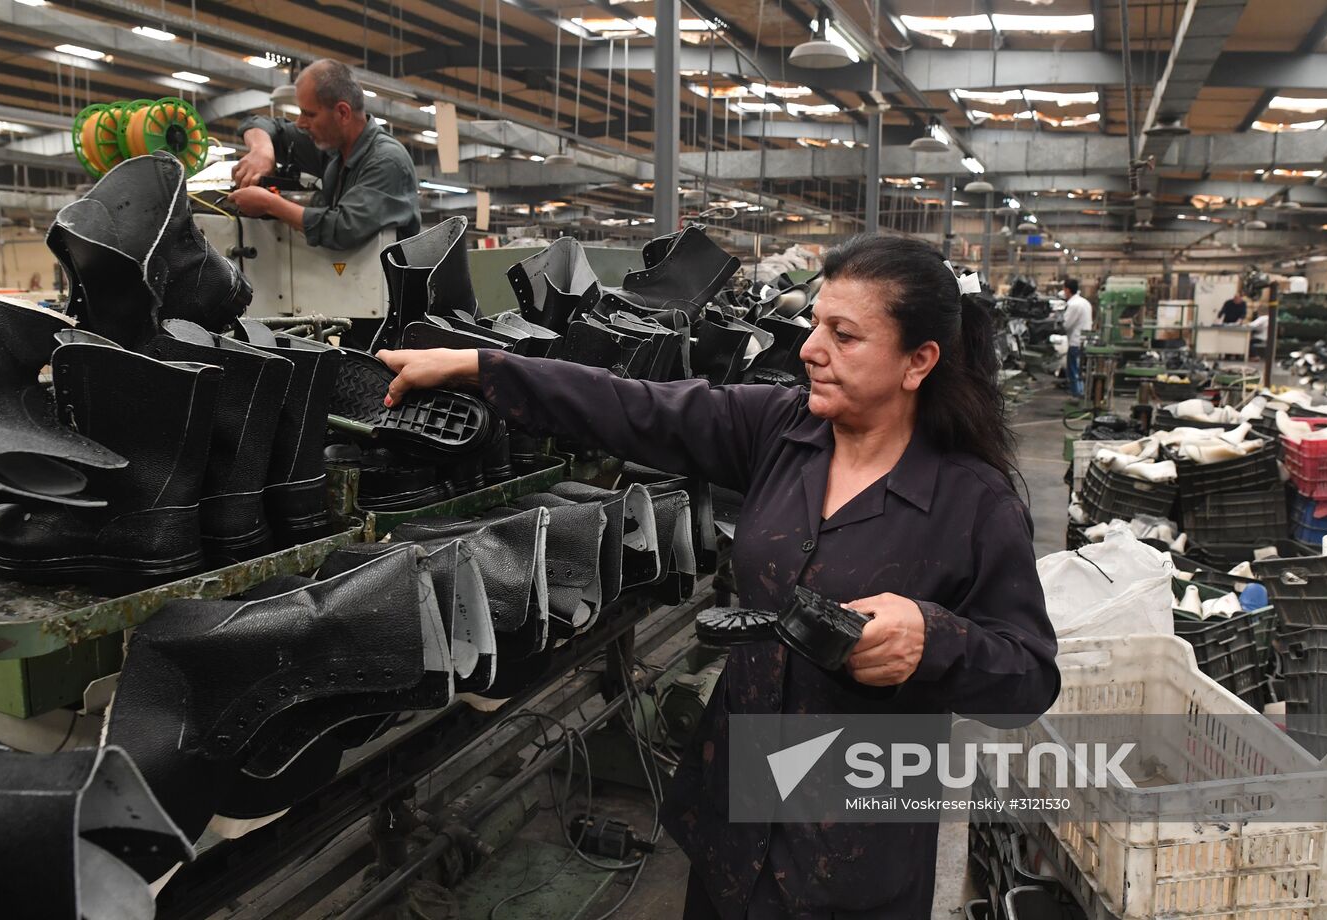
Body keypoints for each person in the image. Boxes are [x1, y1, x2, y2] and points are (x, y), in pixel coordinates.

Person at [376, 235, 1060, 919]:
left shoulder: (973, 504)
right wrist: (478, 366)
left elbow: (1028, 679)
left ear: (919, 361)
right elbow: (630, 406)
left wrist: (932, 639)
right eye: (816, 323)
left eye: (843, 335)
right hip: (735, 819)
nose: (811, 348)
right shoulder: (779, 430)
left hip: (848, 849)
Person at [226, 59, 421, 250]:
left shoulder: (387, 160)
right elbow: (260, 124)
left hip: (385, 281)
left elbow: (344, 229)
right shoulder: (332, 148)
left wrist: (270, 204)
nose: (300, 123)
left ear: (343, 113)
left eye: (309, 114)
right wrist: (262, 151)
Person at [1060, 278, 1092, 400]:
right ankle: (1082, 392)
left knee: (1073, 369)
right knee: (1080, 369)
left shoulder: (1073, 305)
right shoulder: (1085, 302)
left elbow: (1066, 324)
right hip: (1085, 341)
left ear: (1067, 290)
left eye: (1064, 289)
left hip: (1075, 342)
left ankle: (1076, 396)